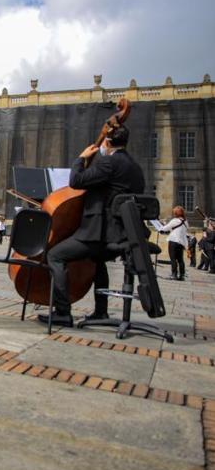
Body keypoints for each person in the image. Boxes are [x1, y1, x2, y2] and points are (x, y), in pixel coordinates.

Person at [41, 126, 145, 327]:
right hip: (124, 234)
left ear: (106, 142)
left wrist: (81, 158)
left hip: (100, 234)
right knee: (98, 261)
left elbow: (76, 181)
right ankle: (101, 311)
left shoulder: (109, 163)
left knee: (55, 255)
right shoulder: (135, 167)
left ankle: (62, 311)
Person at [159, 206, 189, 281]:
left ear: (175, 213)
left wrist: (161, 226)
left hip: (173, 241)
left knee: (173, 259)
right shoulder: (185, 222)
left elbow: (165, 228)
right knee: (180, 260)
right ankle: (182, 275)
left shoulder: (175, 220)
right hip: (181, 243)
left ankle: (174, 275)